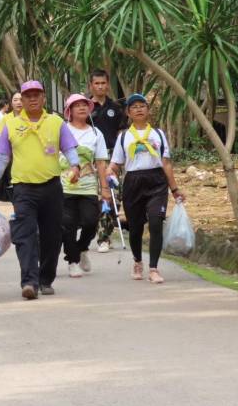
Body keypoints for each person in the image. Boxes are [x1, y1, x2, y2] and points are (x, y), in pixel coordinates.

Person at [0, 81, 80, 300]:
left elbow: (69, 147)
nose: (33, 99)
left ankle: (45, 279)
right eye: (28, 96)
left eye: (37, 95)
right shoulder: (12, 125)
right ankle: (29, 282)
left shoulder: (56, 122)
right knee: (25, 236)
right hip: (23, 189)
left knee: (52, 236)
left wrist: (75, 165)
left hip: (52, 187)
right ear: (21, 100)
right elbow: (2, 159)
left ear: (43, 98)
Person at [108, 93, 184, 284]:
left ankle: (154, 268)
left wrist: (175, 189)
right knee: (135, 228)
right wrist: (109, 174)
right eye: (134, 107)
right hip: (133, 182)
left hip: (156, 181)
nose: (139, 109)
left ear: (148, 110)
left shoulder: (157, 134)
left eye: (143, 106)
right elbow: (116, 163)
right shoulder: (123, 137)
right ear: (128, 112)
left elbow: (166, 163)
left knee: (156, 222)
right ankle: (137, 261)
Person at [59, 94, 111, 278]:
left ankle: (82, 249)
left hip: (88, 186)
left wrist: (104, 188)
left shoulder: (96, 133)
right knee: (68, 225)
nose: (81, 108)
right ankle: (72, 261)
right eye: (77, 105)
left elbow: (101, 163)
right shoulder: (62, 130)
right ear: (69, 110)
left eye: (84, 105)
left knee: (90, 221)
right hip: (65, 186)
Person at [87, 70, 127, 253]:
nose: (100, 86)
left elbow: (121, 133)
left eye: (103, 83)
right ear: (91, 85)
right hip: (93, 158)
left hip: (113, 156)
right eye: (97, 83)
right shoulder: (85, 108)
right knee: (98, 195)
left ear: (108, 84)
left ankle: (106, 234)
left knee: (113, 195)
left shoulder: (116, 108)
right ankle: (100, 234)